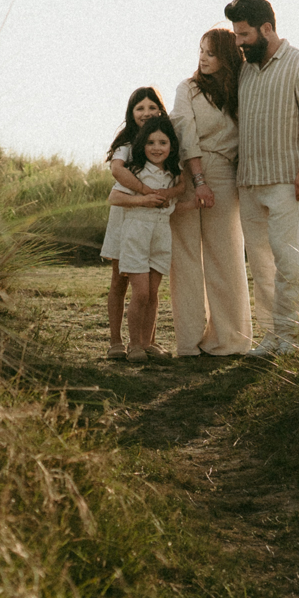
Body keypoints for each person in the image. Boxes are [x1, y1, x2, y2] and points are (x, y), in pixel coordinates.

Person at [224, 0, 299, 357]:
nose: (239, 42)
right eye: (236, 35)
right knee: (262, 265)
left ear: (267, 28)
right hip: (250, 181)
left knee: (288, 260)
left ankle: (291, 339)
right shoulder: (247, 71)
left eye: (245, 34)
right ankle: (271, 337)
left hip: (287, 181)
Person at [169, 29, 253, 357]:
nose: (202, 58)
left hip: (225, 173)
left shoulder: (240, 89)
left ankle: (229, 339)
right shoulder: (186, 88)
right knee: (186, 257)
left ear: (226, 57)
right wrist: (199, 180)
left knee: (226, 255)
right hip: (189, 171)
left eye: (210, 53)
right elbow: (184, 131)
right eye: (200, 51)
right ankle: (189, 342)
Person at [106, 116, 185, 363]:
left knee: (152, 293)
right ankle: (134, 344)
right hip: (136, 234)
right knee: (140, 292)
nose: (157, 148)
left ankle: (148, 343)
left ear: (172, 145)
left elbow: (176, 200)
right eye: (151, 142)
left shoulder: (173, 175)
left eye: (163, 142)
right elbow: (115, 198)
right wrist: (143, 199)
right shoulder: (136, 172)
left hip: (161, 235)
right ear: (142, 146)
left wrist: (199, 203)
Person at [99, 86, 168, 358]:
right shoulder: (126, 145)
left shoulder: (162, 142)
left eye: (152, 107)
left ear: (161, 110)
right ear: (131, 113)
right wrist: (145, 192)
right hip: (125, 216)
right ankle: (116, 340)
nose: (147, 113)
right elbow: (117, 170)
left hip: (151, 220)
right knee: (120, 280)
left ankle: (145, 340)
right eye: (140, 108)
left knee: (150, 284)